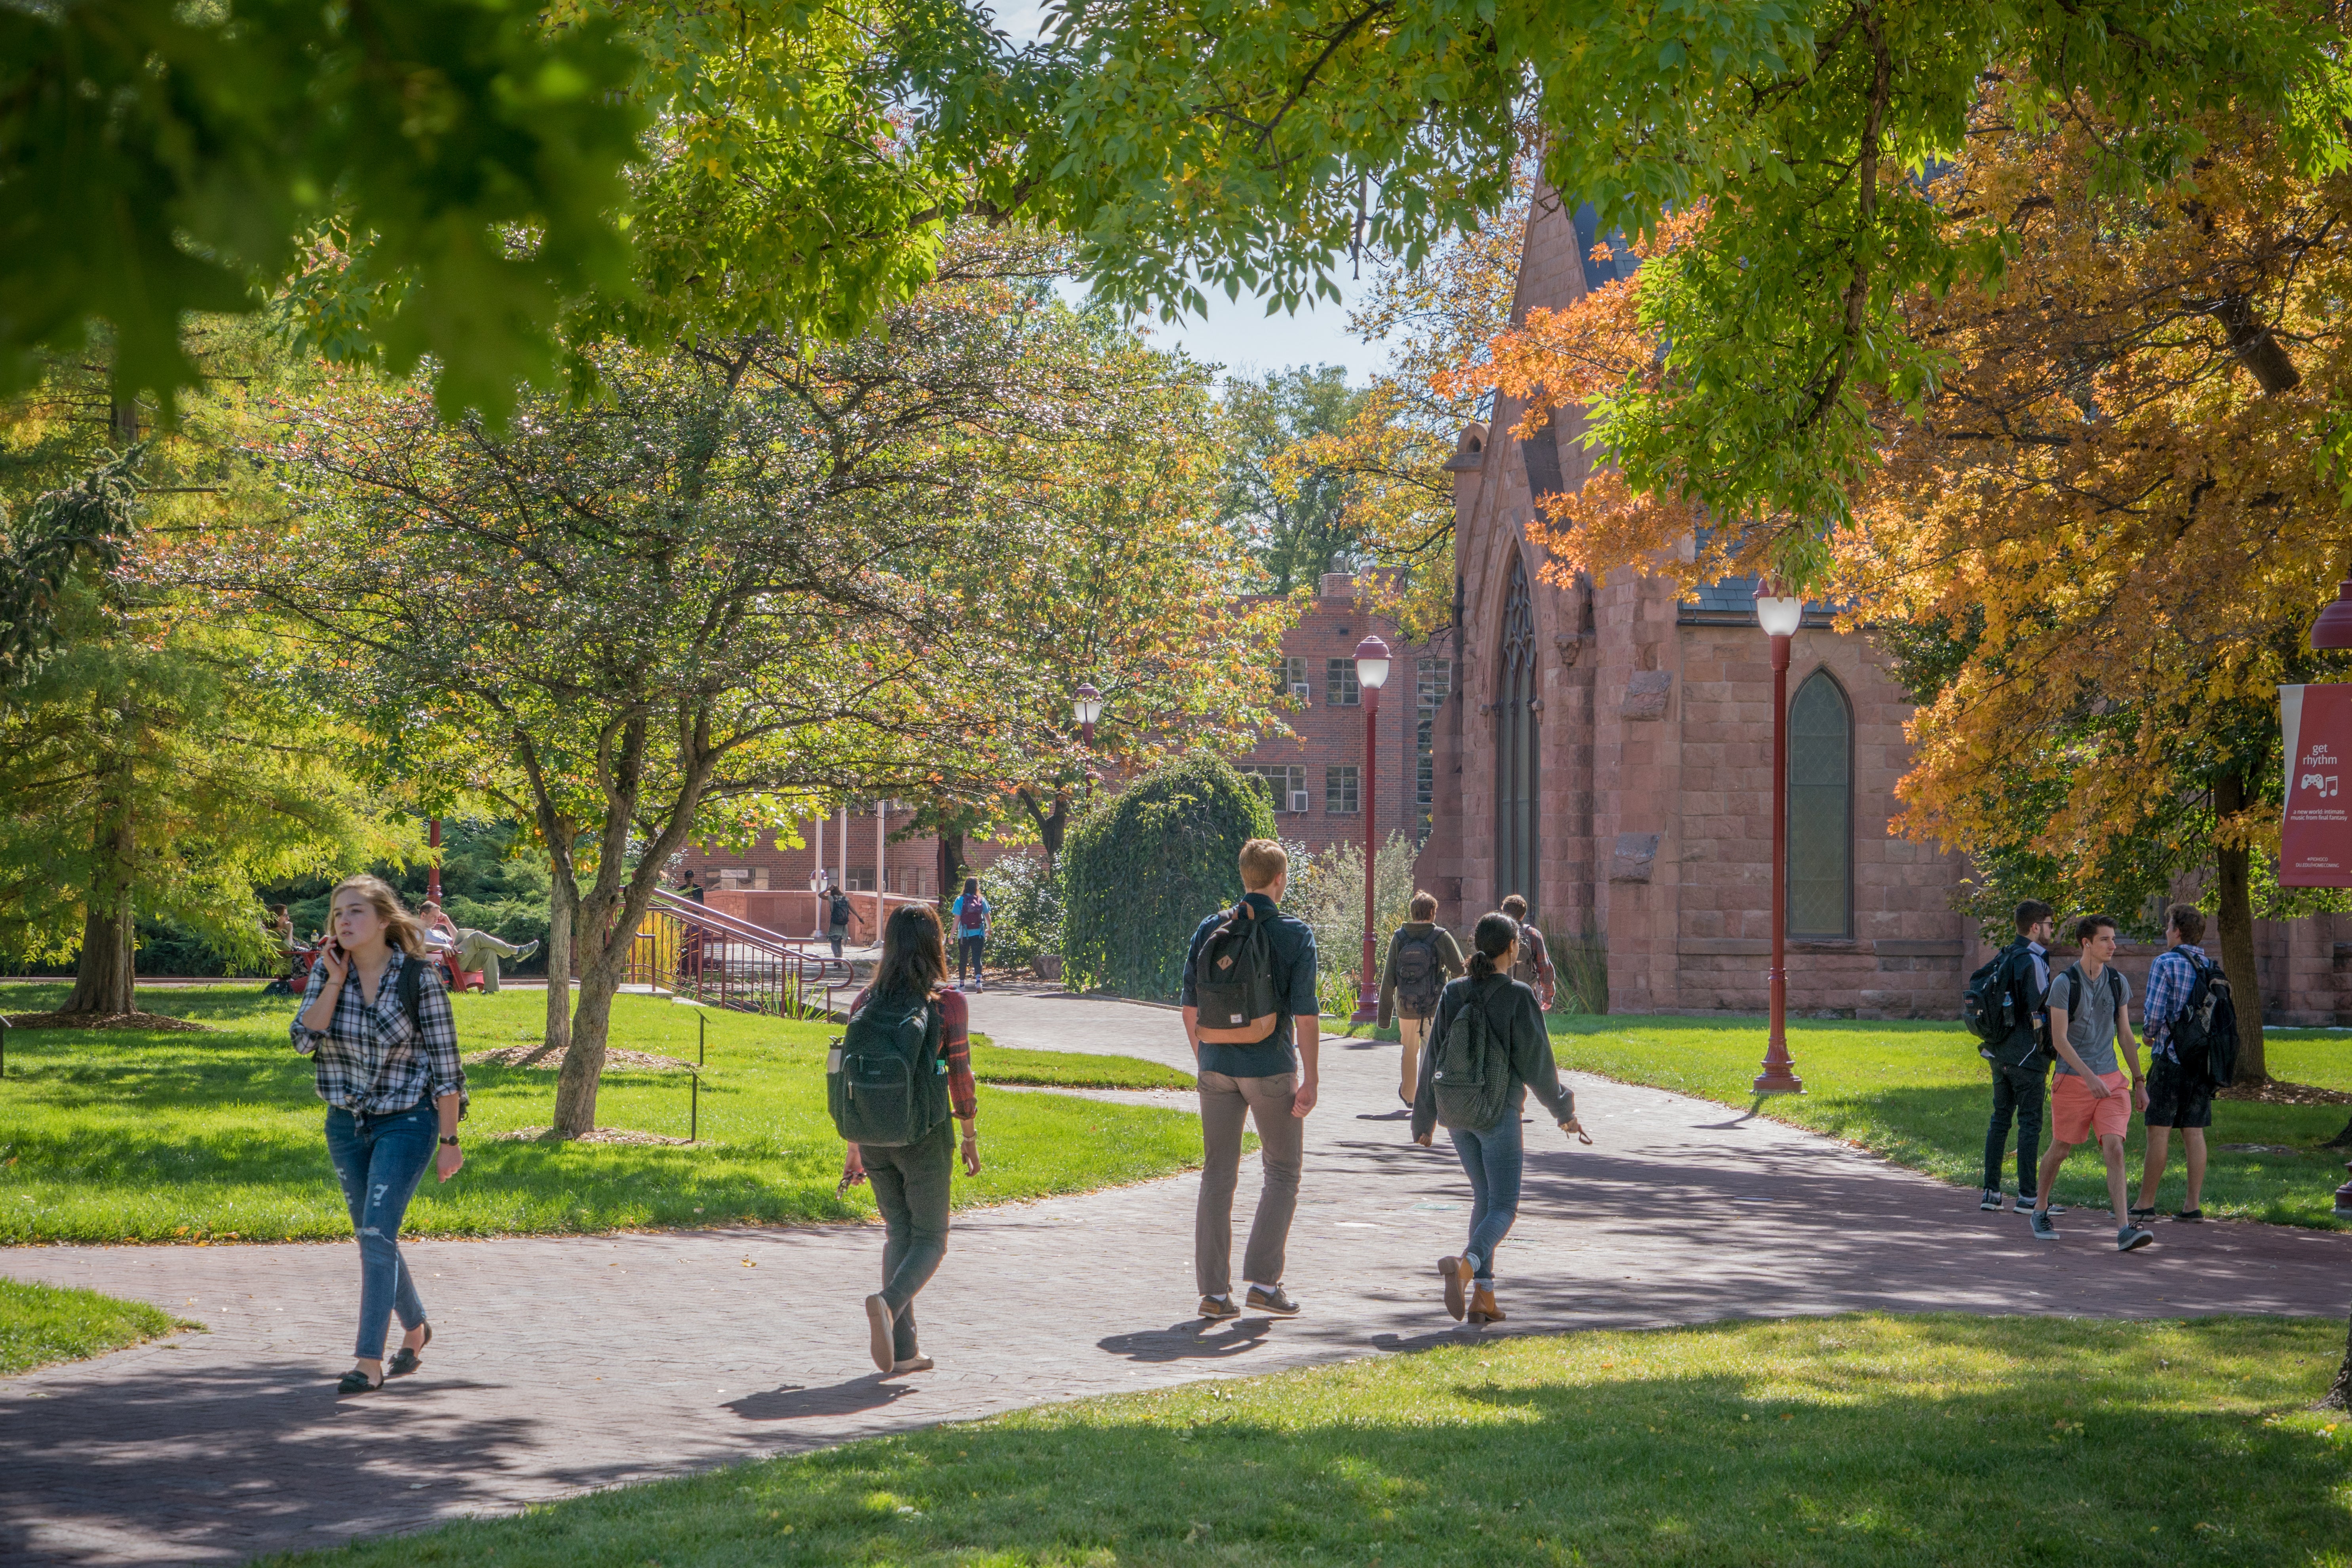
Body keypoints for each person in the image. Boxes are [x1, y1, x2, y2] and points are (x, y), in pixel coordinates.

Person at [289, 874, 466, 1394]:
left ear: (384, 921)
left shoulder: (418, 979)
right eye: (338, 913)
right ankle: (416, 1328)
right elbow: (303, 1041)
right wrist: (335, 981)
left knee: (374, 1235)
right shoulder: (329, 975)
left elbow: (448, 1067)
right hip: (345, 1123)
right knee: (376, 1233)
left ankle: (368, 1361)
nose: (343, 921)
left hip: (407, 1120)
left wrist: (449, 1141)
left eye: (356, 912)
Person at [1412, 912, 1587, 1323]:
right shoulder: (1518, 996)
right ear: (1513, 948)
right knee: (1504, 1205)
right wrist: (1564, 1112)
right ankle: (1468, 1266)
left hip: (1457, 1114)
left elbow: (1433, 1056)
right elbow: (1538, 1065)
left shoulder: (1454, 992)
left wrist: (1424, 1119)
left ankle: (1483, 1298)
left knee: (1484, 1199)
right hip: (1497, 1113)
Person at [1179, 838, 1319, 1321]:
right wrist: (1312, 1078)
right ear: (1279, 879)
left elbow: (1189, 1007)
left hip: (1215, 1066)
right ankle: (1264, 1283)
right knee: (1282, 1171)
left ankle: (1213, 1296)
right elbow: (1305, 1016)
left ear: (1244, 876)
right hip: (1269, 1068)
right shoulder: (1295, 934)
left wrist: (1207, 1057)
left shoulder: (1209, 927)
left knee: (1218, 1174)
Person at [837, 903, 979, 1375]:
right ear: (935, 945)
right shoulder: (947, 1004)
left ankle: (903, 1352)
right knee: (932, 1239)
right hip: (926, 1132)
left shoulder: (864, 1002)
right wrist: (969, 1135)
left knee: (898, 1233)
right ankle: (888, 1302)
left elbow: (850, 1078)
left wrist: (854, 1146)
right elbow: (957, 1073)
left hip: (874, 1135)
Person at [2027, 914, 2154, 1252]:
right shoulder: (2064, 984)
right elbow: (2058, 1039)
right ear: (2086, 943)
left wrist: (2139, 1081)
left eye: (2113, 939)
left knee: (2114, 1147)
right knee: (2061, 1149)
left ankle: (2124, 1228)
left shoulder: (2117, 982)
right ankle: (2039, 1208)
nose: (2113, 945)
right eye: (2105, 940)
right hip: (2073, 1080)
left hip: (2111, 1081)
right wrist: (2087, 1076)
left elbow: (2126, 1035)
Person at [2136, 903, 2216, 1222]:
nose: (2165, 932)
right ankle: (2192, 1205)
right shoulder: (2209, 965)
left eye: (2168, 926)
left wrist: (2148, 1035)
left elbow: (2154, 1013)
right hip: (2201, 1062)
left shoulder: (2165, 962)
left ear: (2177, 930)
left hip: (2169, 1058)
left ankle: (2145, 1203)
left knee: (2159, 1132)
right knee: (2194, 1132)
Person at [1979, 899, 2057, 1213]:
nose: (2052, 930)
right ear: (2035, 927)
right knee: (2029, 1123)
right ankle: (2028, 1196)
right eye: (2050, 924)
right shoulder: (2032, 960)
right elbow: (2042, 1005)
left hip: (1999, 1053)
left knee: (1999, 1120)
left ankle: (1991, 1192)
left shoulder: (2005, 954)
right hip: (2028, 1056)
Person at [1378, 891, 1466, 1106]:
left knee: (1409, 1049)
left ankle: (1409, 1095)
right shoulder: (1441, 936)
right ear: (1432, 912)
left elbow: (1389, 977)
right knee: (1429, 1049)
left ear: (1413, 912)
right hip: (1433, 1006)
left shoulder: (1399, 937)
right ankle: (1426, 1097)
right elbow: (1460, 969)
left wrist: (1383, 1017)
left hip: (1406, 1005)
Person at [1497, 894, 1556, 1009]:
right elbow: (1546, 969)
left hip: (1497, 994)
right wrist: (1547, 997)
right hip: (1525, 995)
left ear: (1503, 912)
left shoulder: (1495, 932)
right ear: (1523, 915)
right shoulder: (1533, 934)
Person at [451, 927, 538, 994]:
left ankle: (490, 990)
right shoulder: (436, 933)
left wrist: (447, 922)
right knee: (477, 936)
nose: (437, 919)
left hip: (464, 959)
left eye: (437, 917)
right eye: (436, 917)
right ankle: (516, 951)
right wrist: (443, 947)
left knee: (489, 951)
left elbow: (456, 939)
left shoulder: (441, 933)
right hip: (451, 962)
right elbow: (437, 947)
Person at [950, 877, 990, 992]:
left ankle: (962, 985)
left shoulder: (960, 900)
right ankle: (978, 983)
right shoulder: (981, 899)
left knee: (963, 958)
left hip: (964, 934)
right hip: (979, 933)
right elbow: (987, 916)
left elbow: (957, 919)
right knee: (977, 958)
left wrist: (952, 936)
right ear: (976, 887)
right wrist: (989, 929)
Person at [827, 885, 856, 960]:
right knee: (839, 943)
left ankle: (837, 954)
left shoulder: (831, 899)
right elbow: (852, 908)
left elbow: (820, 895)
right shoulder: (845, 899)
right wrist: (859, 917)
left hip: (835, 923)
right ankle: (840, 960)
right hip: (843, 924)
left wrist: (827, 889)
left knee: (834, 942)